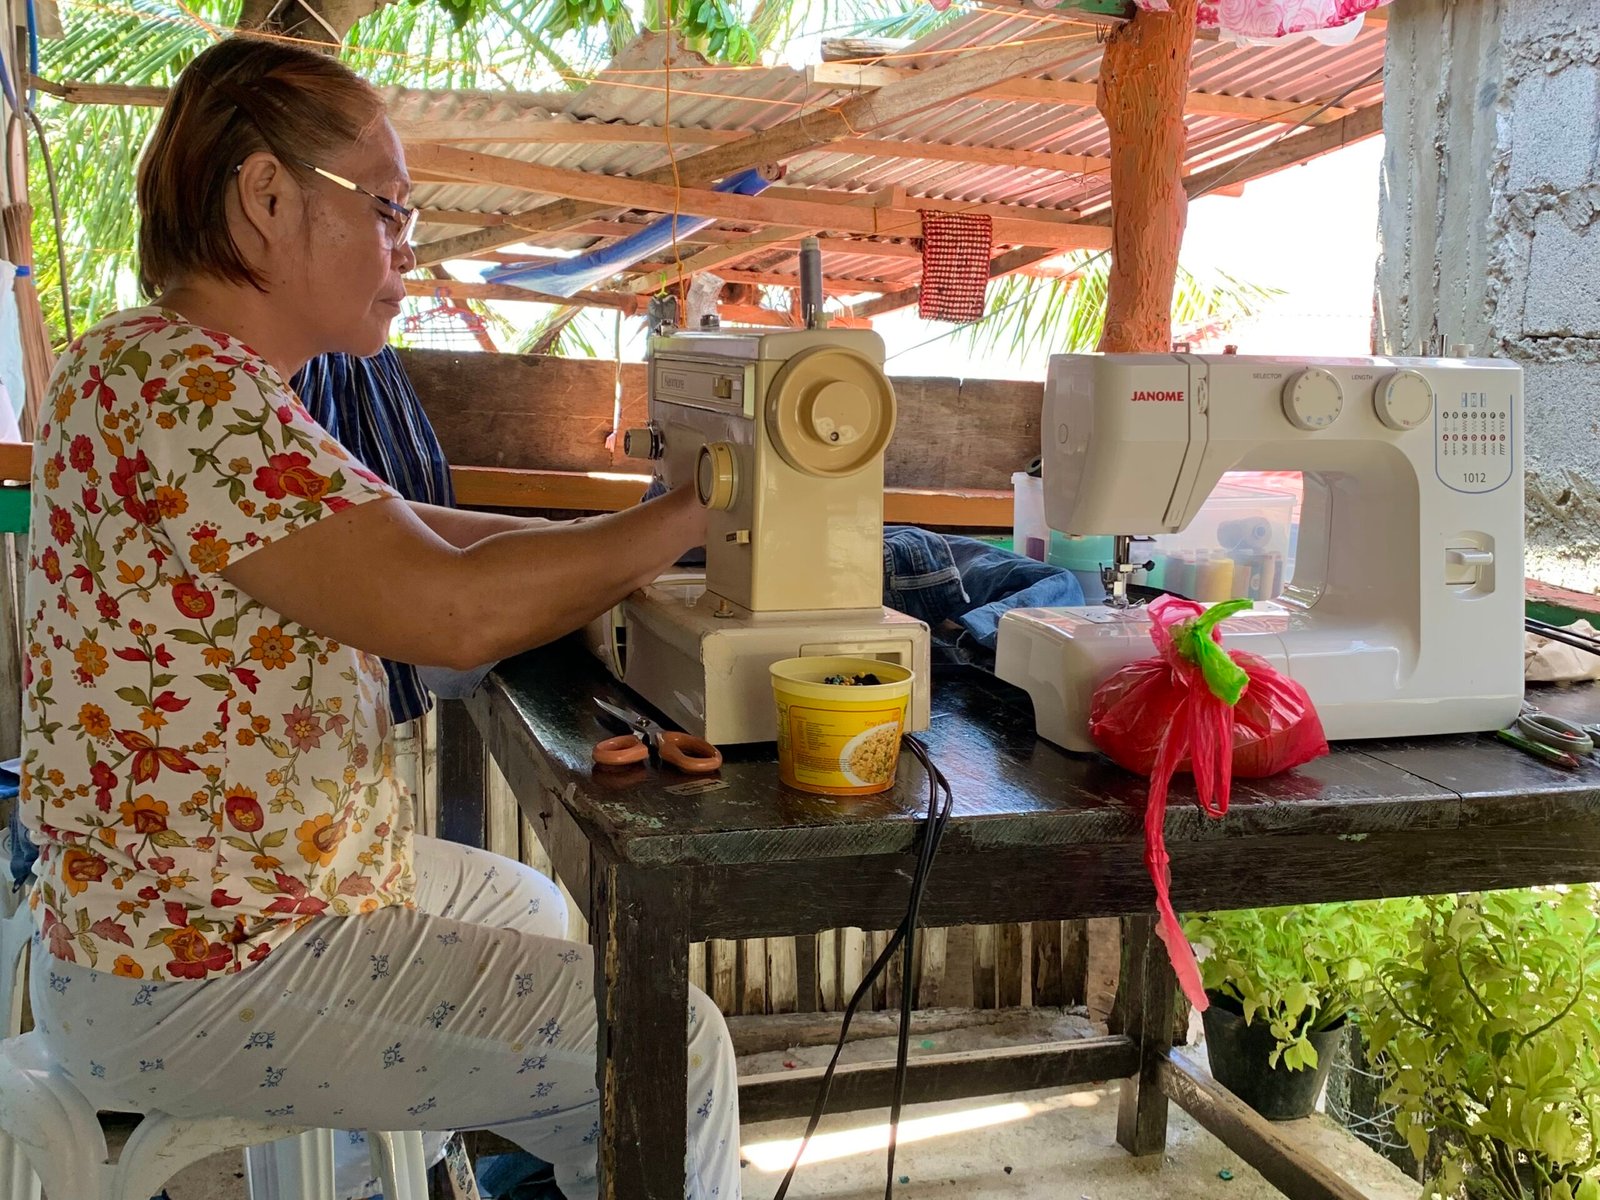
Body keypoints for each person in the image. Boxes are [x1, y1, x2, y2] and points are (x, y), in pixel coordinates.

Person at [17, 34, 739, 1200]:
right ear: (264, 198)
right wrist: (690, 517)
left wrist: (633, 531)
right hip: (201, 962)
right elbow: (447, 611)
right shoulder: (189, 390)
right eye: (391, 211)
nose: (408, 248)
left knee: (530, 907)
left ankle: (484, 1175)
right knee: (675, 1046)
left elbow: (417, 534)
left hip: (191, 908)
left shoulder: (172, 372)